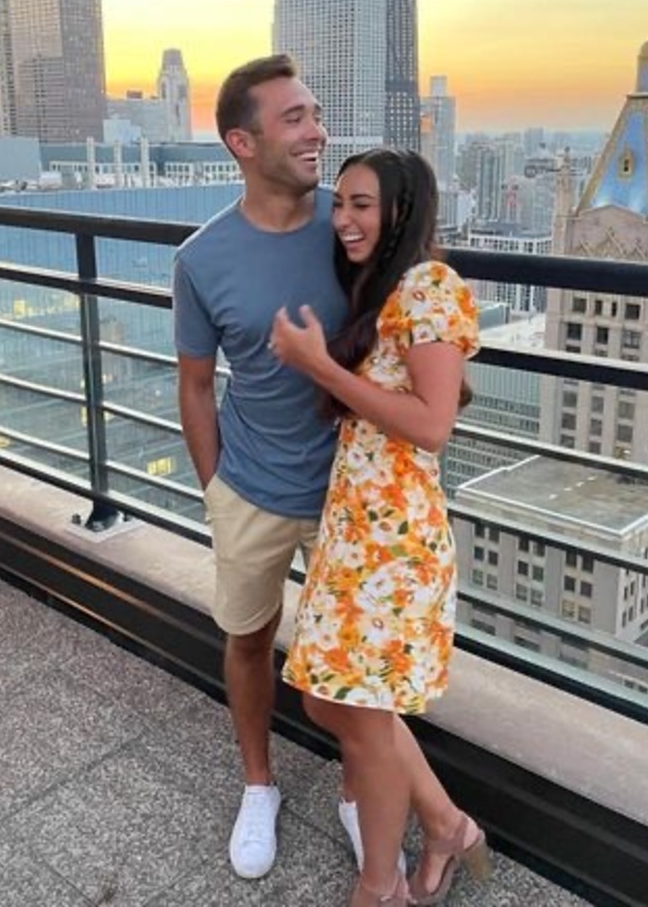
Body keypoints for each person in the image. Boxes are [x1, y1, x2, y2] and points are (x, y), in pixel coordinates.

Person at [269, 148, 492, 906]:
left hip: (394, 545)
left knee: (360, 714)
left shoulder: (429, 286)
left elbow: (431, 425)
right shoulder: (384, 290)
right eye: (340, 203)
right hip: (357, 533)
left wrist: (320, 367)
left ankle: (379, 888)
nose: (343, 219)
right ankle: (447, 826)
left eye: (362, 204)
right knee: (326, 700)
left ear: (402, 210)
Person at [173, 54, 355, 880]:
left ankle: (359, 789)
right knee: (247, 639)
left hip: (353, 491)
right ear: (241, 143)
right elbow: (195, 383)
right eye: (295, 118)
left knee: (352, 652)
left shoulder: (354, 230)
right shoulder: (202, 258)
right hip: (248, 486)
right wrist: (214, 487)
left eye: (314, 113)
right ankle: (259, 783)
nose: (317, 130)